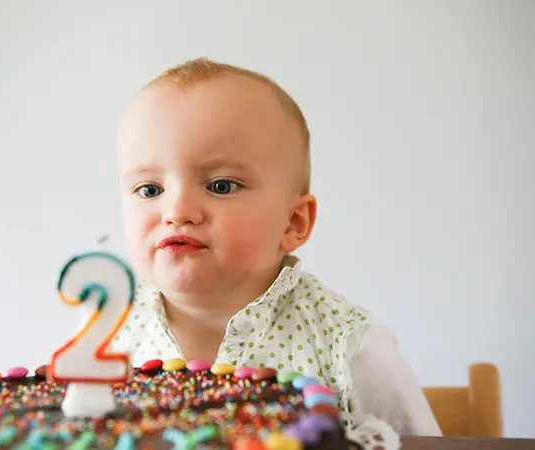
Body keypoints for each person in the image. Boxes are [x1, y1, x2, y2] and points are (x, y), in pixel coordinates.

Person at [111, 57, 441, 437]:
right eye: (150, 190)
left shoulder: (348, 350)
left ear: (293, 222)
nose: (177, 212)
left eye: (221, 185)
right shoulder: (107, 339)